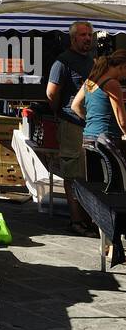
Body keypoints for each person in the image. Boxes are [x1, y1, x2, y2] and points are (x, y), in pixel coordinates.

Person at [47, 21, 95, 233]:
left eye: (90, 35)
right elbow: (51, 93)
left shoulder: (91, 61)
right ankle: (76, 221)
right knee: (73, 174)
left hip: (89, 126)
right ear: (73, 38)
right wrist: (60, 113)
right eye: (83, 35)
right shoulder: (63, 62)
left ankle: (88, 218)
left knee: (88, 174)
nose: (87, 38)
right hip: (72, 124)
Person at [72, 50, 126, 145]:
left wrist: (94, 121)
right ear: (122, 67)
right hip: (106, 138)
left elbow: (75, 106)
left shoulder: (90, 81)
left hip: (88, 137)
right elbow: (122, 121)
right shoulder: (113, 84)